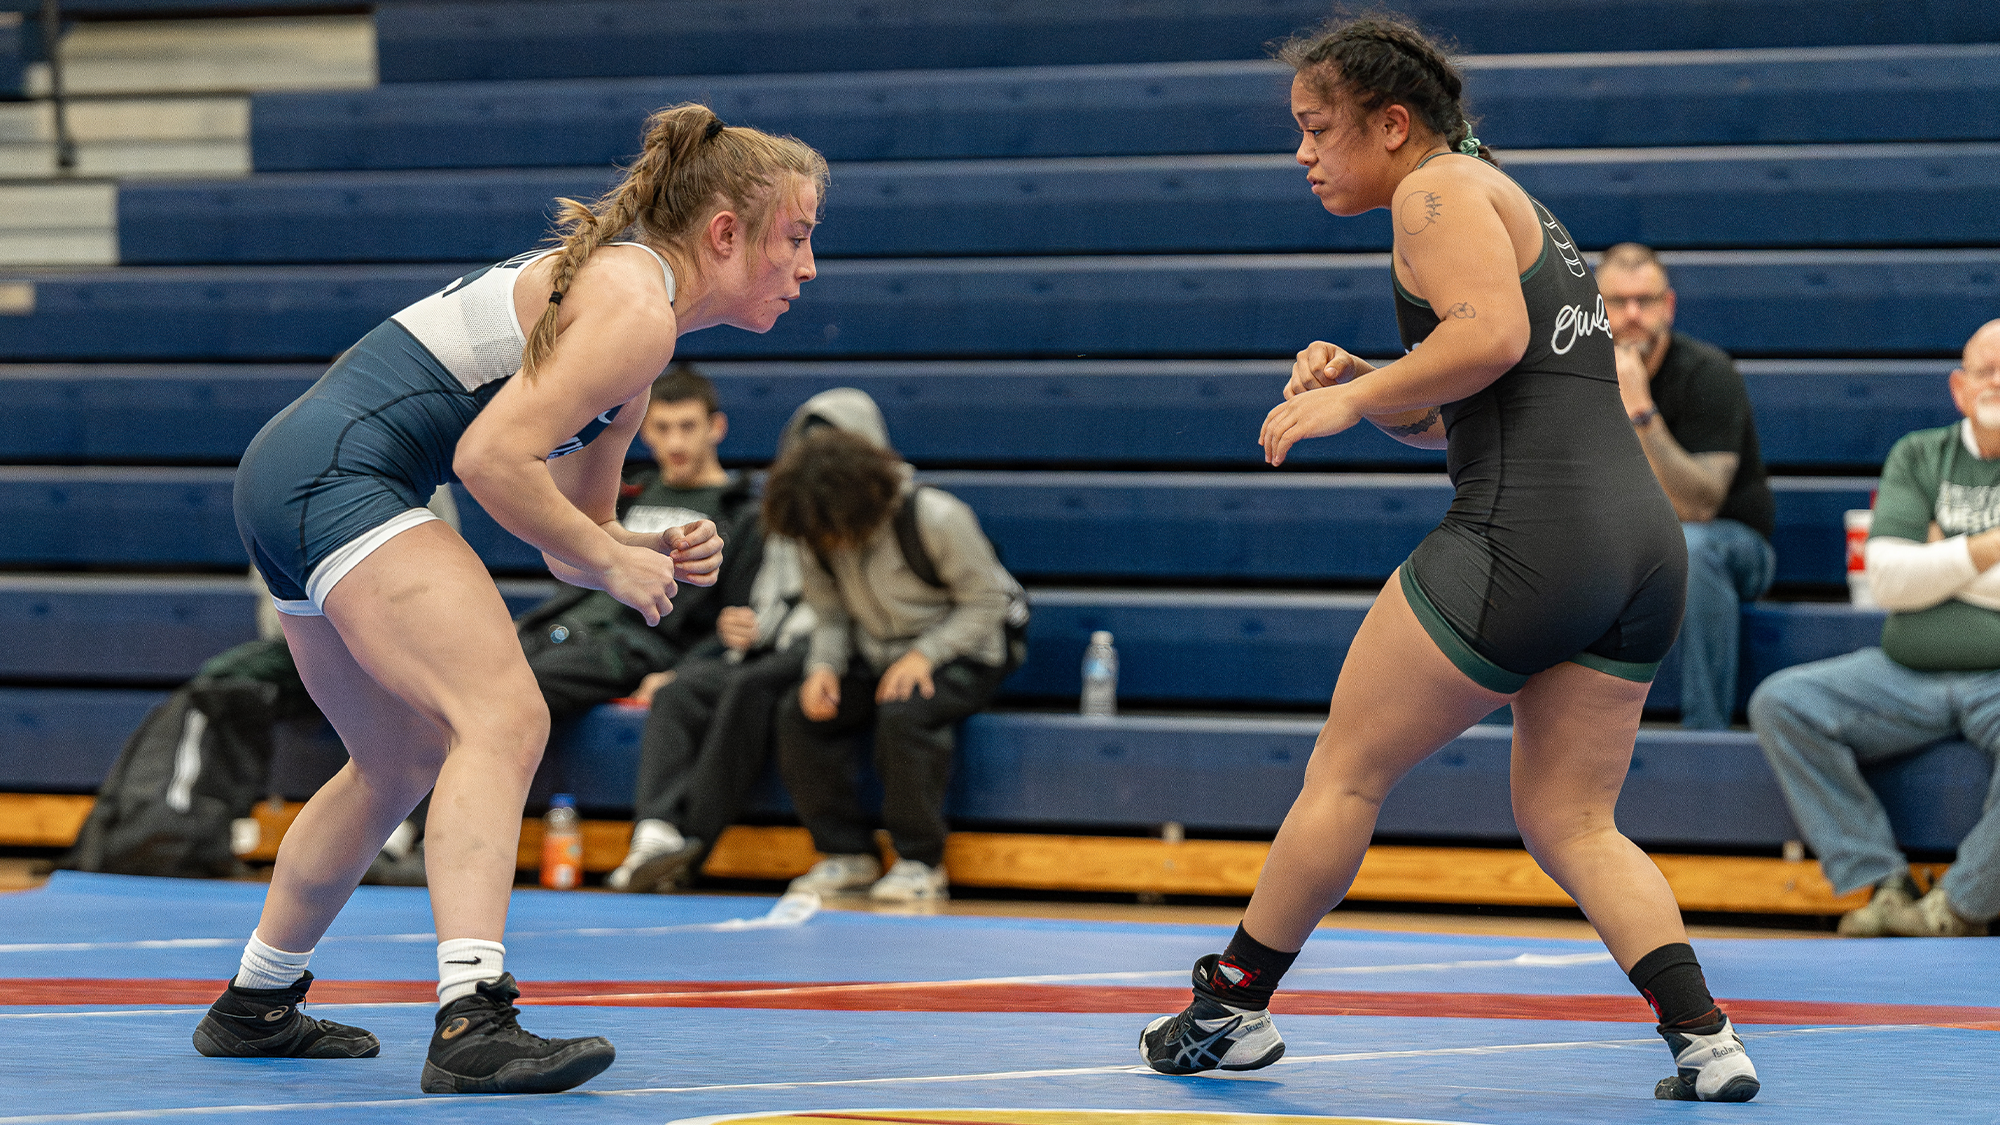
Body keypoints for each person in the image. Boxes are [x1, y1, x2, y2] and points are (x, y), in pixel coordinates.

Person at [1137, 15, 1759, 1103]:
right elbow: (1466, 405)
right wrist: (1374, 382)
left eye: (1317, 127)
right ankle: (1705, 1040)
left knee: (1346, 772)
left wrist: (1348, 400)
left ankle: (1229, 1008)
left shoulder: (1433, 193)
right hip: (1636, 548)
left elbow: (1489, 339)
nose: (1301, 153)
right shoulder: (1502, 197)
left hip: (1528, 538)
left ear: (1392, 123)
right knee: (1571, 819)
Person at [200, 103, 824, 1095]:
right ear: (723, 232)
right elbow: (491, 460)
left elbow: (568, 535)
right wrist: (609, 556)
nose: (808, 266)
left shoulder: (637, 330)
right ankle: (473, 1018)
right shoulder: (634, 308)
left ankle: (256, 1000)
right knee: (504, 716)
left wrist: (637, 547)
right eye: (795, 237)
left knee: (395, 759)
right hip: (340, 478)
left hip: (297, 476)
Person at [1748, 319, 2000, 939]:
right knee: (1783, 702)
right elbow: (1886, 579)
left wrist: (1938, 555)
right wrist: (1988, 547)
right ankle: (1884, 883)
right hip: (1903, 674)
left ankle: (1957, 909)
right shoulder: (1920, 454)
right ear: (1959, 387)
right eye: (1986, 370)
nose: (1997, 383)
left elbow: (1908, 570)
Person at [605, 390, 894, 892]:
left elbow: (851, 608)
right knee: (679, 691)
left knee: (750, 689)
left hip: (848, 646)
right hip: (778, 642)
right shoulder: (782, 509)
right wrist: (738, 627)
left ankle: (690, 846)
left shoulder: (888, 507)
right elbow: (767, 599)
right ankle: (653, 836)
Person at [762, 426, 1027, 904]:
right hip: (878, 651)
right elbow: (830, 615)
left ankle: (920, 861)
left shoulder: (936, 517)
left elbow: (987, 602)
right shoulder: (813, 527)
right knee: (799, 714)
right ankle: (847, 853)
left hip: (968, 648)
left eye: (833, 532)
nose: (828, 542)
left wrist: (926, 654)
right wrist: (823, 667)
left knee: (905, 712)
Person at [515, 362, 760, 721]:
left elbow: (733, 625)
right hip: (560, 629)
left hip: (633, 646)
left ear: (716, 427)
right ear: (645, 430)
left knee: (511, 693)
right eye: (663, 427)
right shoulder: (626, 492)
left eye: (687, 427)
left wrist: (680, 674)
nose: (675, 443)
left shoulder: (742, 514)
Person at [1599, 243, 1776, 729]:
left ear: (1669, 306)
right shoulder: (1578, 379)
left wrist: (1640, 410)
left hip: (1731, 544)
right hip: (1633, 543)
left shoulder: (1707, 373)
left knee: (1691, 547)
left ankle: (1706, 733)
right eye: (1617, 302)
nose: (1632, 315)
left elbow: (1698, 506)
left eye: (1645, 301)